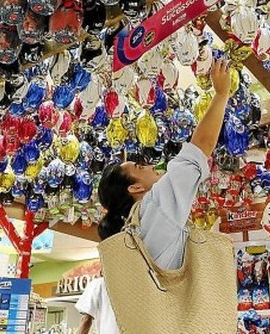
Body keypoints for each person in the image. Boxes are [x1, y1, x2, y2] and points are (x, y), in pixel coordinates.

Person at [93, 58, 231, 330]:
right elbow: (199, 149)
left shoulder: (133, 234)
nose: (153, 167)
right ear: (135, 188)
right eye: (140, 167)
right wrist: (221, 94)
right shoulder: (155, 208)